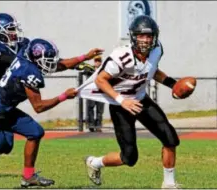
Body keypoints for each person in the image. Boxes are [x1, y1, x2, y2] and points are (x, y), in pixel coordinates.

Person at [0, 12, 103, 189]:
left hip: (2, 102)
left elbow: (49, 62)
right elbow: (33, 68)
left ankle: (7, 178)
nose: (15, 33)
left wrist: (81, 58)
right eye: (10, 29)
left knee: (6, 142)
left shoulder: (23, 48)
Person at [78, 15, 190, 189]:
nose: (145, 40)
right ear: (133, 36)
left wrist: (172, 84)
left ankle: (169, 184)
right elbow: (101, 80)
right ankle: (95, 162)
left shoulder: (156, 50)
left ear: (155, 37)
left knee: (170, 138)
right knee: (129, 157)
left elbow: (152, 70)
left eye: (149, 35)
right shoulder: (122, 56)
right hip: (120, 106)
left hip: (140, 99)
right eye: (141, 35)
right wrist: (122, 100)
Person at [85, 56, 104, 132]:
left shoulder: (104, 69)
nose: (97, 62)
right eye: (96, 61)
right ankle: (91, 125)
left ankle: (98, 125)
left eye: (99, 61)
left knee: (100, 110)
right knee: (90, 108)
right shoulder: (90, 69)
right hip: (91, 92)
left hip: (101, 92)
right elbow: (85, 72)